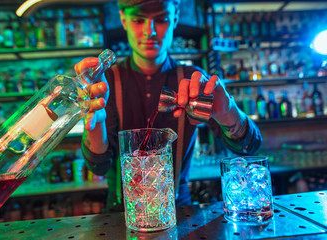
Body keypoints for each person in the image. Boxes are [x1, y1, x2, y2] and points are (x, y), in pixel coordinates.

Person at [75, 0, 262, 211]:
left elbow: (249, 146)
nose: (150, 31)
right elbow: (98, 166)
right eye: (138, 20)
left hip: (178, 211)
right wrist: (94, 126)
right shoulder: (105, 82)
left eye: (161, 19)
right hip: (121, 213)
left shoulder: (193, 80)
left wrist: (229, 114)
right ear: (123, 20)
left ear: (175, 18)